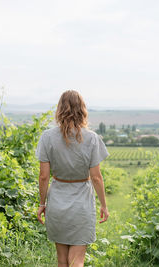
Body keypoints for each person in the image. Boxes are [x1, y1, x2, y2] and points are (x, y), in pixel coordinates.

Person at [35, 90, 110, 267]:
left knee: (62, 261)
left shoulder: (47, 137)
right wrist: (104, 205)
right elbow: (96, 178)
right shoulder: (92, 138)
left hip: (57, 204)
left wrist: (41, 203)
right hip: (82, 205)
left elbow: (44, 176)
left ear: (59, 109)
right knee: (77, 261)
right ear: (82, 110)